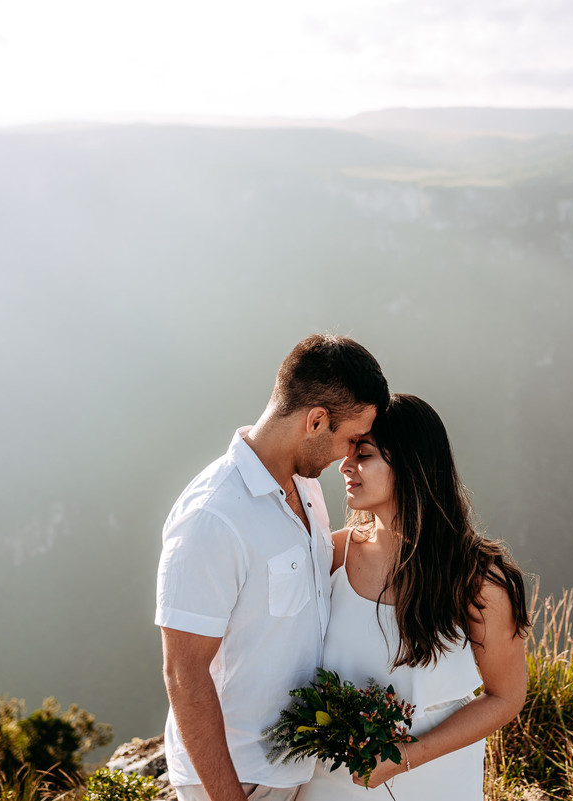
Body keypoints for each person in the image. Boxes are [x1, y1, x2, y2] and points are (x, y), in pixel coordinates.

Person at [156, 334, 389, 801]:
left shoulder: (307, 489)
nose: (348, 457)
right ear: (316, 420)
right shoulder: (212, 515)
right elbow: (184, 672)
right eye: (349, 439)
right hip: (231, 778)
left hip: (292, 771)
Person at [296, 393, 530, 800]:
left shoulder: (477, 579)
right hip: (330, 784)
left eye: (364, 454)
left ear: (409, 465)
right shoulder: (331, 556)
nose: (345, 465)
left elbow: (506, 696)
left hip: (436, 782)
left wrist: (406, 757)